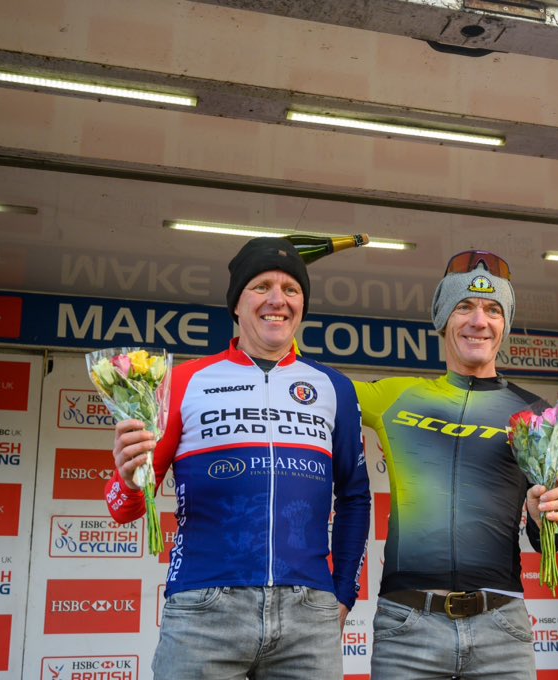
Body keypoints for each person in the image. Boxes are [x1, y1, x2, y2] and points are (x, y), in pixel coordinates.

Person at [105, 237, 371, 680]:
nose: (277, 300)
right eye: (262, 286)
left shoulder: (334, 387)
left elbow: (356, 498)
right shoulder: (183, 381)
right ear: (236, 303)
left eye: (291, 289)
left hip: (309, 612)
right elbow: (121, 508)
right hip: (204, 609)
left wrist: (342, 594)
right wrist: (130, 481)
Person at [353, 249, 558, 680]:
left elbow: (550, 540)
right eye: (465, 307)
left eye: (493, 310)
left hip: (501, 630)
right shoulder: (394, 395)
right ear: (442, 319)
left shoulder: (535, 413)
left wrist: (546, 518)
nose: (479, 321)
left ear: (504, 325)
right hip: (408, 628)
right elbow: (303, 379)